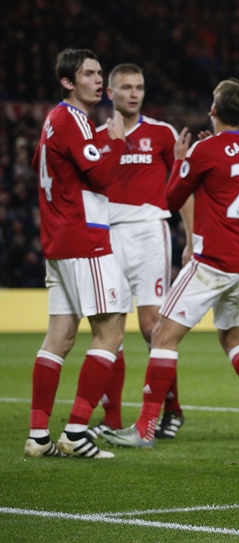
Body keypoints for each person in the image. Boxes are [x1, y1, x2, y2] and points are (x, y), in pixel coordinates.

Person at [103, 79, 239, 449]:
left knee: (162, 336)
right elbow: (228, 180)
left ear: (213, 111)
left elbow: (170, 201)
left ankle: (144, 428)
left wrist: (184, 160)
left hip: (212, 261)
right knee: (234, 339)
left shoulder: (204, 151)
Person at [25, 48, 130, 459]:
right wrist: (117, 142)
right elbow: (103, 176)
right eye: (88, 74)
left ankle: (37, 436)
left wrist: (97, 139)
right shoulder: (72, 119)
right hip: (85, 240)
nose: (98, 80)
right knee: (111, 332)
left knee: (61, 336)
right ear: (68, 82)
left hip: (58, 240)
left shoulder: (56, 122)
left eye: (100, 73)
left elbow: (40, 161)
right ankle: (77, 431)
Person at [89, 63, 186, 440]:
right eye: (126, 87)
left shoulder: (162, 133)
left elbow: (181, 184)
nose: (134, 93)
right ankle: (111, 419)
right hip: (107, 235)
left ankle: (172, 410)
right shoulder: (96, 137)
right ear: (110, 93)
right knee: (109, 330)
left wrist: (191, 239)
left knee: (151, 328)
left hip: (149, 233)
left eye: (140, 87)